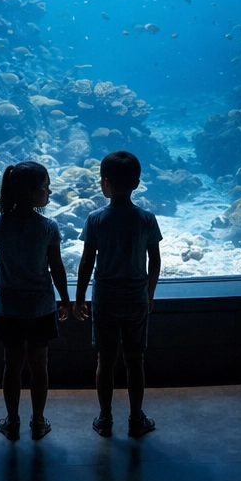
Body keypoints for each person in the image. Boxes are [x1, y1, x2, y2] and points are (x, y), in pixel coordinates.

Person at [0, 162, 70, 440]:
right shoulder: (48, 227)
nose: (49, 191)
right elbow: (57, 268)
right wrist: (65, 300)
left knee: (11, 365)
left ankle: (12, 421)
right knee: (40, 365)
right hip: (40, 308)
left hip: (9, 309)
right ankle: (38, 421)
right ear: (31, 192)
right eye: (45, 187)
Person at [74, 150, 162, 438]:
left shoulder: (95, 219)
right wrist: (149, 294)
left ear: (104, 183)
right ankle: (136, 419)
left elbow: (86, 262)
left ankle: (105, 417)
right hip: (136, 298)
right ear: (137, 183)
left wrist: (79, 297)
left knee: (105, 360)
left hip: (105, 298)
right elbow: (155, 260)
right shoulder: (147, 219)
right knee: (135, 361)